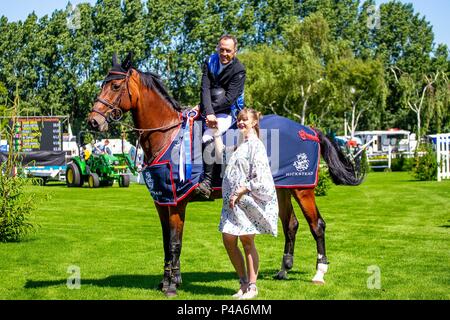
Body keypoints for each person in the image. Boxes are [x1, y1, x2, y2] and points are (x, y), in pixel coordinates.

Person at [212, 108, 278, 299]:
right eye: (239, 120)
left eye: (245, 120)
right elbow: (220, 155)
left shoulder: (256, 146)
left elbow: (262, 178)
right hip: (231, 205)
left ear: (254, 122)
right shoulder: (241, 145)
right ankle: (242, 282)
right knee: (228, 239)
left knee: (247, 242)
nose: (241, 123)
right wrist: (216, 132)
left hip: (245, 202)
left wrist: (241, 190)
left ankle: (252, 287)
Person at [195, 34, 246, 199]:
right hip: (209, 107)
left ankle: (208, 182)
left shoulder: (239, 70)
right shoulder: (210, 61)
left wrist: (209, 111)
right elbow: (205, 88)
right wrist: (207, 111)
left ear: (235, 52)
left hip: (229, 110)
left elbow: (229, 99)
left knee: (207, 136)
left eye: (228, 51)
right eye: (221, 49)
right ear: (217, 48)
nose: (224, 53)